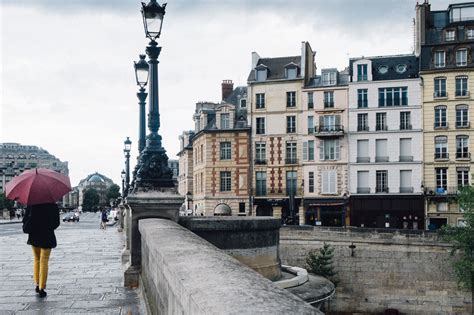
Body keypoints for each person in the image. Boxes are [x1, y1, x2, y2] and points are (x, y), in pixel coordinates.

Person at [23, 203, 60, 298]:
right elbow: (56, 223)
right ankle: (41, 288)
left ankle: (37, 284)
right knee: (44, 261)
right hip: (47, 235)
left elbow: (25, 219)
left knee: (37, 259)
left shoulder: (32, 204)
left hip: (34, 236)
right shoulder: (52, 205)